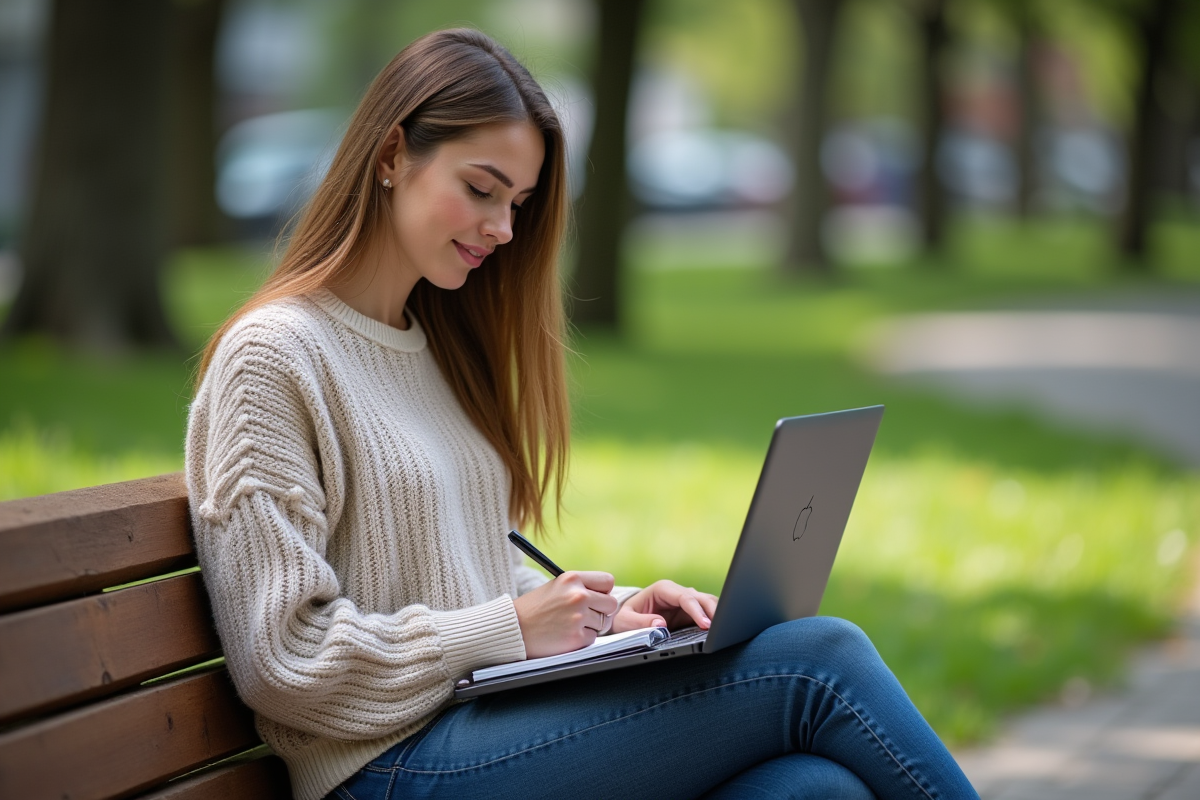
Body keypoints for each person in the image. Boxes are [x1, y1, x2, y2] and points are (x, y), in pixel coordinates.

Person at [187, 28, 979, 800]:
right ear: (393, 155)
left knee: (816, 787)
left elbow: (471, 583)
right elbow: (283, 658)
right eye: (481, 189)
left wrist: (609, 624)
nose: (502, 229)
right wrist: (511, 627)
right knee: (818, 662)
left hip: (475, 729)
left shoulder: (431, 346)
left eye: (519, 203)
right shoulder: (275, 358)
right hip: (385, 769)